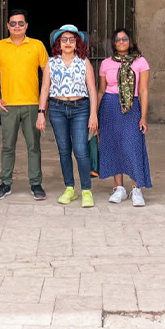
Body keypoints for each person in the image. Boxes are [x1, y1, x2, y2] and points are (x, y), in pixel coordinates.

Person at [0, 9, 49, 200]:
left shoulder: (37, 45)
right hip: (8, 105)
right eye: (13, 23)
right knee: (7, 146)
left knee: (34, 146)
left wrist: (42, 105)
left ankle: (36, 183)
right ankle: (5, 183)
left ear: (26, 26)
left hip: (32, 104)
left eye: (21, 23)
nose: (16, 26)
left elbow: (47, 74)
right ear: (7, 26)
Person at [36, 25, 99, 207]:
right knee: (64, 150)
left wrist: (93, 114)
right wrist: (41, 113)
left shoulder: (84, 62)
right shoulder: (51, 63)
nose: (68, 43)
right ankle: (70, 188)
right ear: (59, 43)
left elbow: (92, 90)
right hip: (57, 109)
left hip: (81, 109)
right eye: (64, 39)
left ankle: (86, 190)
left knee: (80, 150)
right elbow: (45, 88)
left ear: (77, 42)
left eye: (72, 39)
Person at [97, 28, 151, 206]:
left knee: (132, 146)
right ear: (113, 43)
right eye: (118, 39)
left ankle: (136, 189)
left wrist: (143, 117)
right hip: (109, 107)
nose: (121, 42)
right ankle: (119, 188)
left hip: (131, 107)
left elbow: (143, 91)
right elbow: (101, 90)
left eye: (125, 39)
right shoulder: (106, 63)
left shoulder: (140, 62)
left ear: (130, 41)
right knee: (113, 146)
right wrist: (94, 115)